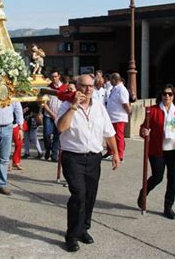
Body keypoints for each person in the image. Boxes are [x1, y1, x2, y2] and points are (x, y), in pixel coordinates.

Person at [56, 74, 120, 253]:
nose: (88, 89)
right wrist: (73, 107)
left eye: (91, 86)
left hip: (94, 158)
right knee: (78, 194)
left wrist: (115, 153)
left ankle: (84, 228)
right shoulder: (66, 106)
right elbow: (61, 128)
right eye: (84, 86)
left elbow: (109, 132)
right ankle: (71, 236)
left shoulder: (99, 107)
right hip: (73, 157)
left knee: (90, 195)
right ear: (76, 87)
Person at [137, 84, 175, 220]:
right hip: (157, 150)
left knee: (173, 179)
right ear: (161, 96)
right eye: (164, 94)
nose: (167, 96)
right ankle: (144, 192)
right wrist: (144, 132)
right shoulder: (153, 111)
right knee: (157, 177)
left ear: (174, 96)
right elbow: (143, 128)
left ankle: (168, 207)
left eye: (170, 94)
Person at [0, 101, 24, 200]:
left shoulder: (10, 89)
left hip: (8, 127)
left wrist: (20, 126)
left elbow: (17, 107)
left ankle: (2, 184)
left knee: (4, 159)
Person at [105, 73, 131, 161]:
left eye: (111, 80)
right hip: (111, 117)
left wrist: (129, 112)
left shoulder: (121, 90)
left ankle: (120, 155)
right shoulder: (114, 89)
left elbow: (125, 104)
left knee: (118, 136)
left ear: (115, 80)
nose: (110, 82)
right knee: (109, 134)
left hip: (118, 117)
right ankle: (110, 152)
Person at [43, 70, 65, 161]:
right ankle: (48, 149)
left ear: (59, 76)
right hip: (48, 115)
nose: (54, 78)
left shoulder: (64, 88)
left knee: (57, 136)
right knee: (47, 135)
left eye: (55, 76)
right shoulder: (48, 89)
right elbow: (44, 103)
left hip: (59, 116)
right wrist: (51, 113)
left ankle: (54, 155)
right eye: (52, 77)